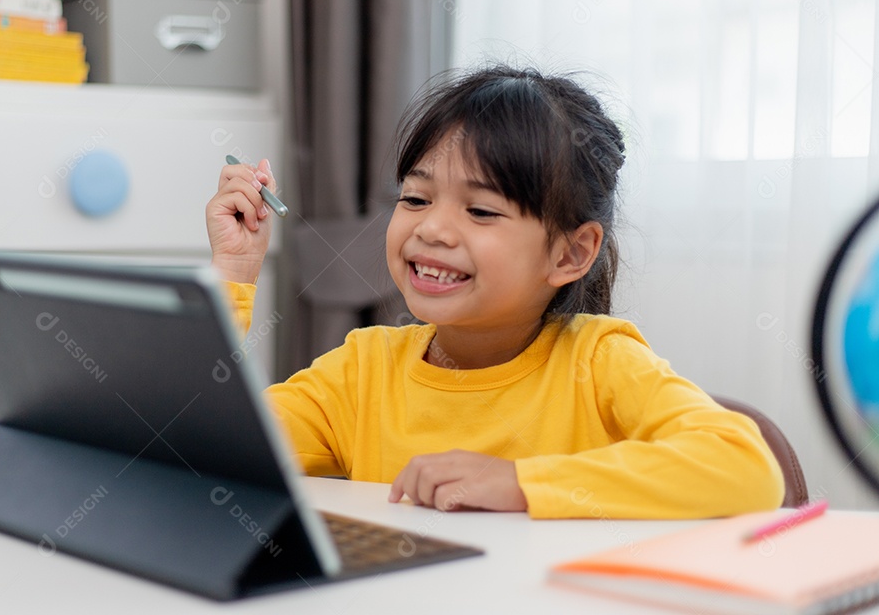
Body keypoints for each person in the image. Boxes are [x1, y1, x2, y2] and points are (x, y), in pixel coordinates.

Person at [205, 64, 784, 518]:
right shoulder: (362, 372)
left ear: (570, 253)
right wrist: (234, 272)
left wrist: (520, 483)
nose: (430, 228)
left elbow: (746, 466)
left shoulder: (599, 363)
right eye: (414, 198)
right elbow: (200, 446)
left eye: (481, 210)